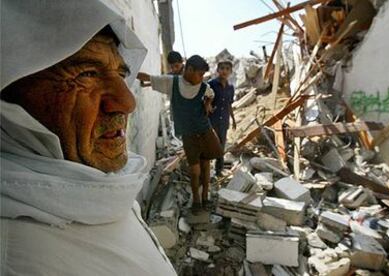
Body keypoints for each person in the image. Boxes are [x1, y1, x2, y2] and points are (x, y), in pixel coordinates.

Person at [0, 1, 176, 275]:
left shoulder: (86, 179)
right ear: (9, 90)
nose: (127, 102)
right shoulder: (14, 255)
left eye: (120, 73)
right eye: (87, 74)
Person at [137, 55, 223, 211]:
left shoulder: (203, 86)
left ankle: (205, 198)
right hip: (189, 134)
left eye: (203, 75)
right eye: (199, 74)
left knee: (206, 165)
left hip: (204, 130)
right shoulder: (172, 83)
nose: (201, 78)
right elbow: (150, 78)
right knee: (195, 171)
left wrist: (207, 105)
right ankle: (196, 201)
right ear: (189, 70)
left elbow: (211, 94)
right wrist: (129, 72)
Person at [208, 59, 237, 177]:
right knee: (210, 144)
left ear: (230, 71)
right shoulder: (211, 84)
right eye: (222, 68)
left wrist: (233, 119)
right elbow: (205, 100)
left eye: (227, 69)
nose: (224, 71)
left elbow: (229, 104)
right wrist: (208, 106)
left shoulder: (230, 88)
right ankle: (205, 169)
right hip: (212, 120)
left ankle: (218, 170)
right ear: (217, 70)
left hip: (224, 120)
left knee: (221, 146)